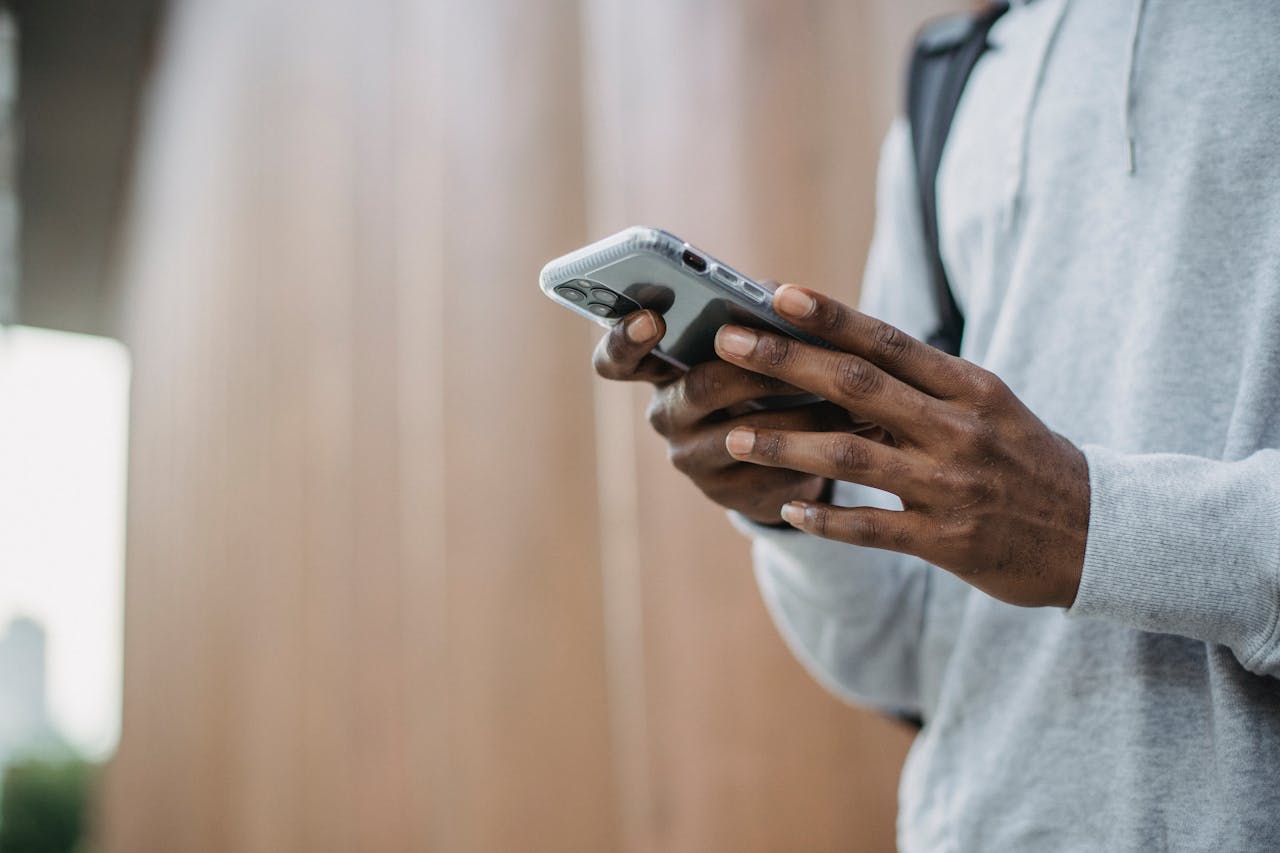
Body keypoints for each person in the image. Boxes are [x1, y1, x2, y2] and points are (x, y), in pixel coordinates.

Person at [592, 1, 1280, 849]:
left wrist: (1095, 525)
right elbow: (903, 655)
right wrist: (795, 503)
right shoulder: (959, 74)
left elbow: (1057, 523)